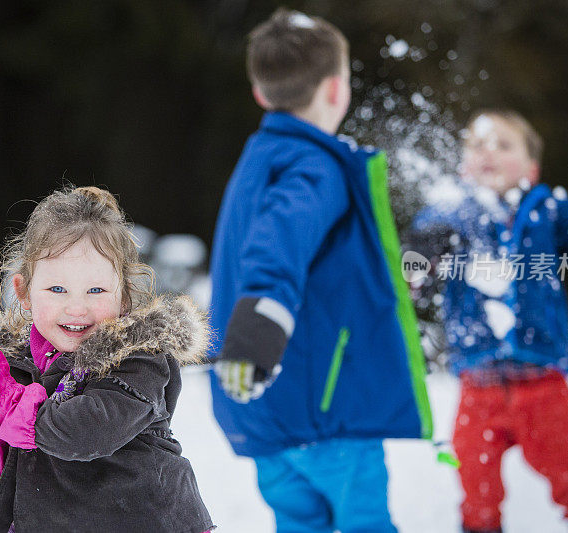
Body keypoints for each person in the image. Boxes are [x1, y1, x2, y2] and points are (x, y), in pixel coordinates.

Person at [208, 8, 432, 533]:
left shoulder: (258, 159)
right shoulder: (314, 165)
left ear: (262, 95)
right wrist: (263, 318)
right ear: (336, 90)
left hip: (269, 415)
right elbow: (279, 242)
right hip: (325, 408)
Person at [0, 186, 214, 533]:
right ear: (23, 292)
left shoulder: (139, 360)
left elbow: (83, 433)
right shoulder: (19, 362)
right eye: (57, 289)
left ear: (125, 295)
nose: (76, 307)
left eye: (96, 290)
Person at [407, 110, 568, 533]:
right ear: (463, 163)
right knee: (477, 494)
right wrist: (420, 263)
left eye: (503, 145)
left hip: (543, 385)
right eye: (478, 144)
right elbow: (414, 266)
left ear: (531, 168)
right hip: (478, 389)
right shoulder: (448, 216)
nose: (489, 152)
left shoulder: (547, 210)